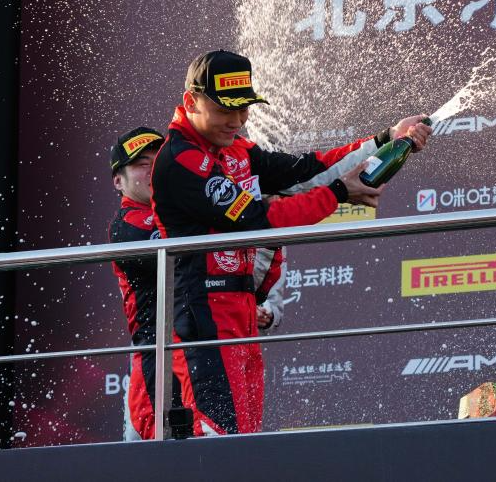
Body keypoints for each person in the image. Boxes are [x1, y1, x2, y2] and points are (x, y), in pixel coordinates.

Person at [151, 49, 431, 435]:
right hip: (204, 311)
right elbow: (258, 221)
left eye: (244, 109)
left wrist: (385, 140)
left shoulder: (236, 149)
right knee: (218, 437)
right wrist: (339, 193)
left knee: (245, 436)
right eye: (225, 110)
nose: (237, 120)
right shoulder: (180, 160)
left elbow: (305, 171)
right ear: (191, 102)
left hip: (242, 308)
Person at [107, 126, 188, 440]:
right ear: (118, 181)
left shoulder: (181, 211)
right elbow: (183, 258)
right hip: (158, 354)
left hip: (195, 344)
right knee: (159, 448)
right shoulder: (127, 224)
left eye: (159, 162)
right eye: (143, 165)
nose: (153, 171)